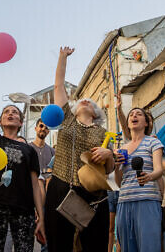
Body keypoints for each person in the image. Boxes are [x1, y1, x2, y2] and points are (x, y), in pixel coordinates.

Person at [44, 47, 115, 252]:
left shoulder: (103, 133)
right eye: (82, 100)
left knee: (94, 245)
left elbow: (110, 171)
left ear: (96, 113)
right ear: (74, 110)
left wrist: (109, 154)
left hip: (93, 193)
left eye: (90, 103)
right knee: (59, 245)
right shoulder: (66, 119)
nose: (85, 101)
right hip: (61, 185)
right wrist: (62, 57)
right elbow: (58, 86)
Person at [0, 57, 46, 252]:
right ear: (0, 121)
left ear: (20, 122)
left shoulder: (29, 149)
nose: (10, 113)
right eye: (6, 112)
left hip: (23, 210)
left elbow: (35, 185)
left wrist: (41, 216)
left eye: (15, 112)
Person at [114, 107, 164, 252]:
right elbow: (119, 182)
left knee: (149, 247)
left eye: (139, 114)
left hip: (147, 200)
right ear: (128, 123)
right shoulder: (122, 149)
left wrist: (149, 177)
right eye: (131, 114)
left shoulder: (153, 142)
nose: (134, 116)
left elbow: (159, 170)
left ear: (146, 123)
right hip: (124, 202)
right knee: (127, 248)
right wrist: (116, 167)